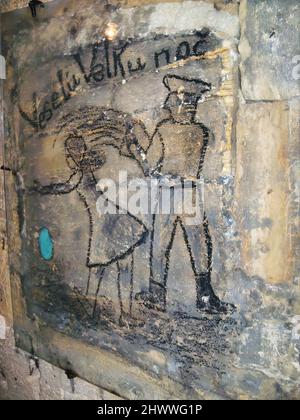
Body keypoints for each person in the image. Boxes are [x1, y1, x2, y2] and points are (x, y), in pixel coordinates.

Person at [32, 107, 149, 325]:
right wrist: (44, 190)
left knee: (119, 264)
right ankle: (97, 310)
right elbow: (64, 186)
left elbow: (98, 159)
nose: (78, 151)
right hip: (103, 222)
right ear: (70, 154)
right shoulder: (79, 174)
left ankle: (119, 312)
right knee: (104, 268)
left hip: (112, 216)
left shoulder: (88, 166)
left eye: (80, 147)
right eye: (74, 149)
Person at [141, 74, 235, 314]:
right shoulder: (199, 132)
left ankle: (156, 295)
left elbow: (151, 164)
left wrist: (138, 148)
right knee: (198, 243)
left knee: (161, 245)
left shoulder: (164, 130)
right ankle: (205, 295)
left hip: (167, 194)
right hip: (189, 193)